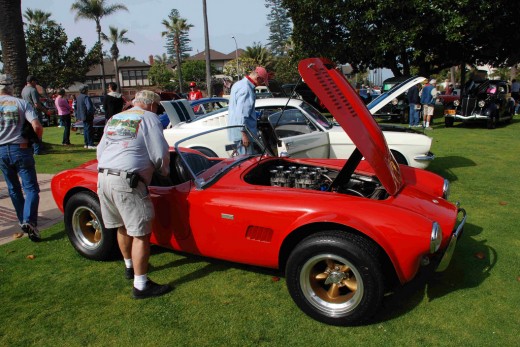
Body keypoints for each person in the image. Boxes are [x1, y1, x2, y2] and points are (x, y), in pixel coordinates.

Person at [97, 90, 172, 299]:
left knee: (122, 225)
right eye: (157, 107)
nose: (157, 110)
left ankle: (129, 266)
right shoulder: (149, 118)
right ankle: (141, 285)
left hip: (104, 177)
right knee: (141, 233)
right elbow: (159, 152)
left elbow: (100, 150)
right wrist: (164, 171)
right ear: (151, 105)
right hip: (128, 180)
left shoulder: (115, 118)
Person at [0, 74, 43, 241]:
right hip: (20, 148)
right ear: (11, 87)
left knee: (13, 188)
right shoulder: (21, 103)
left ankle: (22, 220)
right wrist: (35, 141)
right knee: (31, 187)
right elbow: (37, 126)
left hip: (2, 151)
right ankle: (29, 221)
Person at [228, 66, 269, 154]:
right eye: (262, 81)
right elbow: (242, 112)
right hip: (243, 133)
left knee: (241, 161)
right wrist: (243, 134)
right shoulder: (246, 89)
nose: (261, 84)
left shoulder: (238, 84)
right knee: (247, 162)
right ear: (258, 78)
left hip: (236, 130)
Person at [21, 75, 48, 155]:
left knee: (30, 131)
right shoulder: (33, 90)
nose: (36, 83)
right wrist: (46, 111)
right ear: (32, 81)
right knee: (38, 130)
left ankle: (32, 149)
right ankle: (38, 150)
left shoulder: (23, 90)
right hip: (35, 113)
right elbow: (37, 104)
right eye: (35, 81)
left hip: (26, 114)